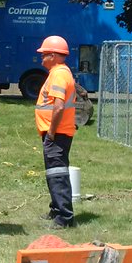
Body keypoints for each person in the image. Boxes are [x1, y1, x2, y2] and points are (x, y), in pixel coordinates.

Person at [35, 35, 78, 228]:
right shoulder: (59, 72)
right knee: (53, 171)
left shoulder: (59, 74)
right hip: (56, 132)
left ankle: (65, 217)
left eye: (44, 55)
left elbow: (58, 106)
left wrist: (51, 132)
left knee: (57, 173)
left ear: (53, 55)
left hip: (57, 133)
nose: (41, 58)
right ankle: (56, 209)